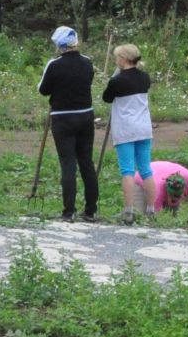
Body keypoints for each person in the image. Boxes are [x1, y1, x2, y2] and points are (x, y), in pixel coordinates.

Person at [38, 25, 100, 223]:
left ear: (58, 45)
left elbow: (43, 90)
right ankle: (90, 210)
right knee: (86, 162)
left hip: (63, 118)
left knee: (68, 163)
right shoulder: (87, 63)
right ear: (76, 42)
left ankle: (68, 212)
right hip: (85, 116)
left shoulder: (53, 65)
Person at [102, 43, 155, 225]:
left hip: (125, 129)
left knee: (127, 170)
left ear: (123, 59)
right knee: (146, 169)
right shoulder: (145, 77)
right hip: (144, 127)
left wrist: (115, 75)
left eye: (117, 57)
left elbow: (107, 97)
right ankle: (151, 210)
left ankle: (129, 211)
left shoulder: (117, 81)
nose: (116, 60)